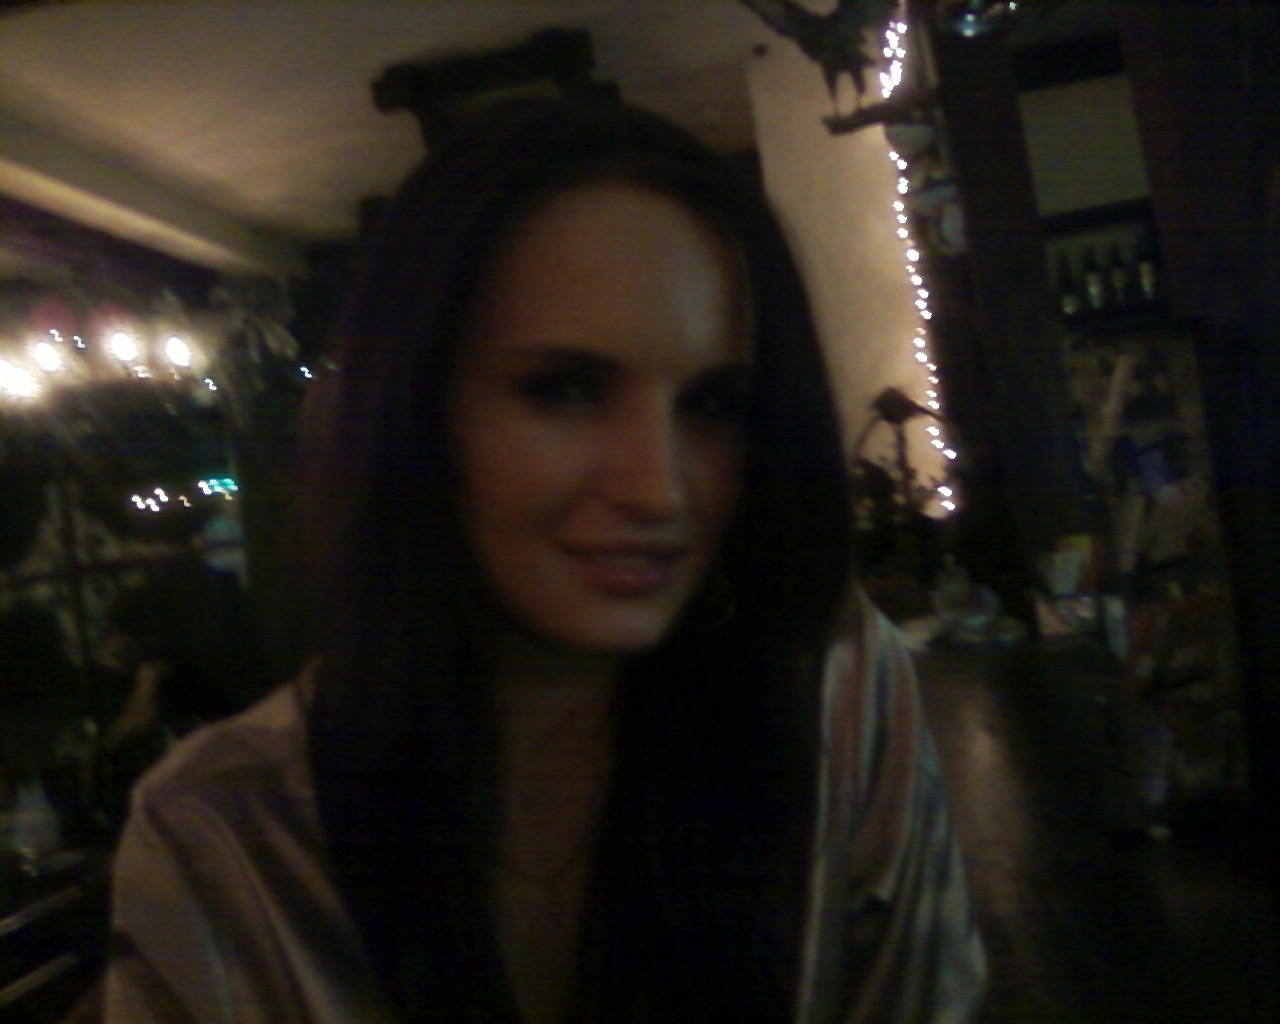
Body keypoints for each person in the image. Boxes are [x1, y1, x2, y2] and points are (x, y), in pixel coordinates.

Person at [105, 96, 985, 1023]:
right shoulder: (219, 831)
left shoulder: (833, 690)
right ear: (415, 409)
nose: (659, 489)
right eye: (564, 389)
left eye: (713, 403)